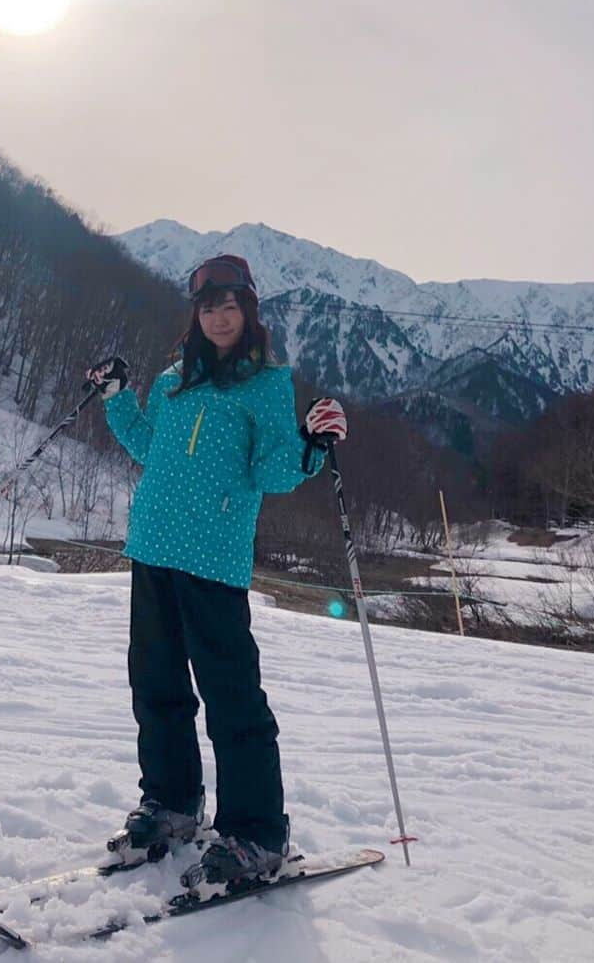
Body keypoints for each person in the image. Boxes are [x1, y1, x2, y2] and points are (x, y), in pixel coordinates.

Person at [86, 253, 347, 888]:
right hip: (152, 548)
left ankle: (256, 833)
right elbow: (150, 447)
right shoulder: (177, 380)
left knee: (232, 698)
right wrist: (119, 398)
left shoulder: (265, 384)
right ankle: (172, 804)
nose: (219, 316)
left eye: (230, 305)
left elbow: (273, 469)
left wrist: (312, 445)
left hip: (213, 557)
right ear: (196, 316)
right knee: (156, 684)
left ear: (248, 311)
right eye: (208, 306)